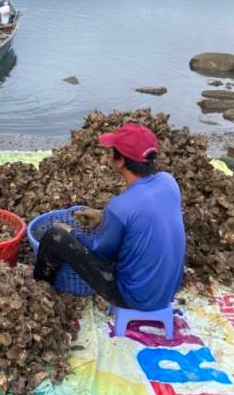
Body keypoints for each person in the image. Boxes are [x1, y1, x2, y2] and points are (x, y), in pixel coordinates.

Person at [33, 124, 186, 311]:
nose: (109, 155)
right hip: (167, 291)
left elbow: (100, 252)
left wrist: (70, 232)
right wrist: (102, 215)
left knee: (54, 237)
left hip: (135, 297)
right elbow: (142, 215)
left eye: (112, 152)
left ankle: (40, 293)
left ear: (120, 161)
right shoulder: (168, 182)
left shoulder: (121, 206)